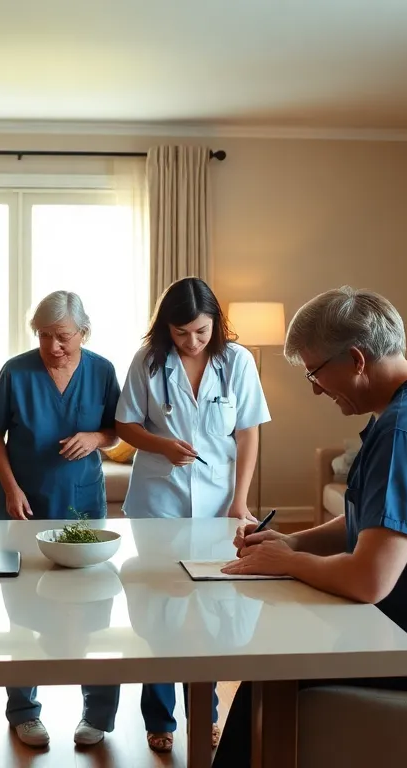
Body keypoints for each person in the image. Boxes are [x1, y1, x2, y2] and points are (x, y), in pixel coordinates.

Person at [212, 286, 407, 767]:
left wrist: (290, 562)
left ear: (356, 359)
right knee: (270, 657)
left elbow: (368, 580)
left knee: (266, 675)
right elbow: (371, 521)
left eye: (315, 372)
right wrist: (293, 540)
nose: (315, 388)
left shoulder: (406, 435)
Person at [113, 276, 270, 754]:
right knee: (158, 610)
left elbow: (247, 434)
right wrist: (160, 443)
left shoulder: (237, 361)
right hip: (157, 501)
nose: (193, 341)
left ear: (215, 324)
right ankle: (159, 719)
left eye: (201, 331)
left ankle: (206, 716)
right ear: (167, 328)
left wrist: (240, 501)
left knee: (211, 608)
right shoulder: (148, 361)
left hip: (219, 500)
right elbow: (125, 424)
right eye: (182, 333)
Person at [0, 290, 123, 749]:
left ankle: (97, 713)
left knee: (94, 607)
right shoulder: (16, 370)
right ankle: (24, 711)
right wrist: (10, 486)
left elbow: (118, 429)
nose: (53, 346)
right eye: (44, 336)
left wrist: (96, 437)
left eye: (62, 336)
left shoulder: (101, 370)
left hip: (81, 503)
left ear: (83, 332)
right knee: (21, 611)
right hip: (22, 504)